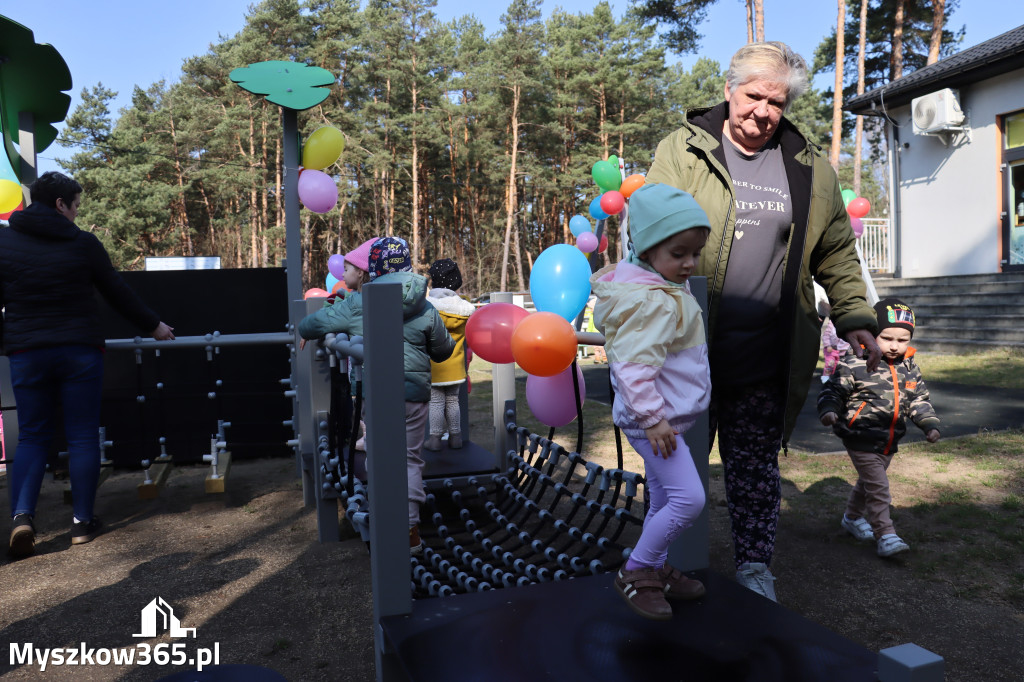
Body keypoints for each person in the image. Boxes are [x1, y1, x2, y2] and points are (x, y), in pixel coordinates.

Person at [645, 41, 881, 601]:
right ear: (729, 90)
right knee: (675, 473)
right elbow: (648, 231)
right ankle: (658, 567)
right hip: (686, 352)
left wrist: (853, 314)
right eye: (753, 96)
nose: (762, 111)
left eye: (775, 102)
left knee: (754, 471)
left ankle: (755, 569)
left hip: (765, 352)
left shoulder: (810, 168)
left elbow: (836, 253)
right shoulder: (683, 150)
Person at [1, 171, 175, 557]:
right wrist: (154, 326)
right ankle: (81, 523)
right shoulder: (83, 244)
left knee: (31, 435)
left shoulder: (4, 241)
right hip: (78, 350)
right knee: (81, 435)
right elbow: (116, 291)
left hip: (27, 353)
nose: (78, 213)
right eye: (76, 205)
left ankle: (22, 517)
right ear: (61, 204)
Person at [591, 183, 712, 620]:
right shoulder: (651, 301)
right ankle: (637, 569)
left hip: (663, 419)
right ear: (646, 249)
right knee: (688, 499)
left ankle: (656, 566)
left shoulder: (658, 287)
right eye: (679, 253)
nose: (690, 263)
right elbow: (632, 367)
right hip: (655, 422)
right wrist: (654, 418)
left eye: (695, 253)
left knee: (663, 499)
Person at [298, 237, 454, 554]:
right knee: (410, 460)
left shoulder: (361, 303)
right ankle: (410, 530)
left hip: (378, 395)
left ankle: (384, 520)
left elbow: (317, 321)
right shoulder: (424, 305)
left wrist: (304, 330)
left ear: (375, 268)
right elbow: (443, 350)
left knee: (380, 457)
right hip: (414, 396)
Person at [818, 298, 940, 557]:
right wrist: (829, 410)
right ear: (872, 334)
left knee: (867, 483)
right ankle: (886, 534)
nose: (895, 346)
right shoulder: (856, 362)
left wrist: (928, 424)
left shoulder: (909, 369)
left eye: (902, 339)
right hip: (860, 435)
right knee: (879, 487)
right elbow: (834, 389)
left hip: (889, 439)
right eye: (887, 338)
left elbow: (919, 400)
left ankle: (851, 518)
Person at [424, 258, 475, 451]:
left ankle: (435, 439)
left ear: (433, 282)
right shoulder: (465, 310)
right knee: (453, 402)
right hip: (456, 367)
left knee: (436, 401)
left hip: (434, 365)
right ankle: (456, 437)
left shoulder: (428, 307)